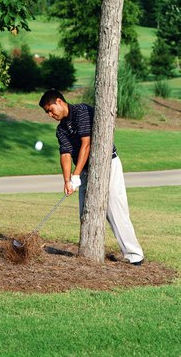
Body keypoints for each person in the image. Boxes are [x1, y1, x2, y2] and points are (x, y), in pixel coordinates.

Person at [39, 89, 144, 266]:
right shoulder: (61, 130)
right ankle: (91, 252)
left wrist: (76, 175)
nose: (50, 114)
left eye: (50, 109)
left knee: (115, 210)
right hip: (86, 171)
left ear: (59, 101)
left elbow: (86, 145)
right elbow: (65, 155)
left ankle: (134, 254)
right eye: (47, 112)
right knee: (86, 212)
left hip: (107, 165)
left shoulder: (82, 112)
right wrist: (67, 181)